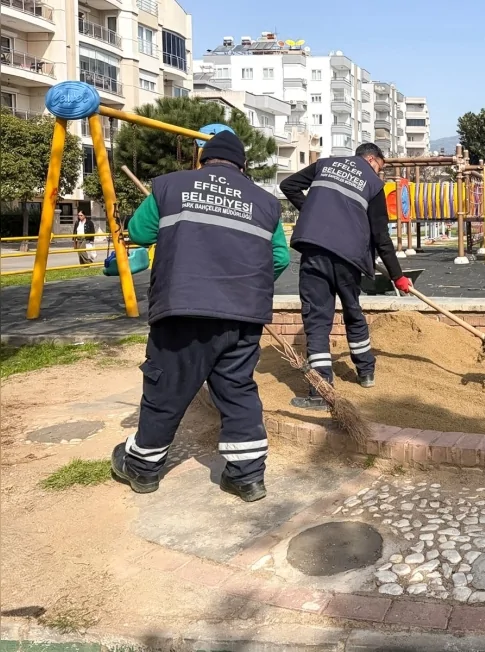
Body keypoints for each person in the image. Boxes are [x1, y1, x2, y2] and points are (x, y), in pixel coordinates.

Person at [111, 131, 290, 502]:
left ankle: (142, 468)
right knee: (238, 390)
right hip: (242, 316)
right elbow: (279, 258)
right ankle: (247, 477)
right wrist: (242, 287)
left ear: (203, 160)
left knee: (167, 388)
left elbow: (139, 232)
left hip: (183, 307)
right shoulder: (265, 202)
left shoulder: (169, 186)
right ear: (243, 166)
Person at [280, 143, 412, 410]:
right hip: (349, 257)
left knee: (317, 319)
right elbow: (381, 237)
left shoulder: (324, 165)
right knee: (352, 310)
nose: (380, 174)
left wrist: (311, 212)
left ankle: (320, 391)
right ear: (372, 159)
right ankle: (366, 372)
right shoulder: (374, 186)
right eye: (380, 168)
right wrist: (398, 276)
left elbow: (288, 186)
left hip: (314, 249)